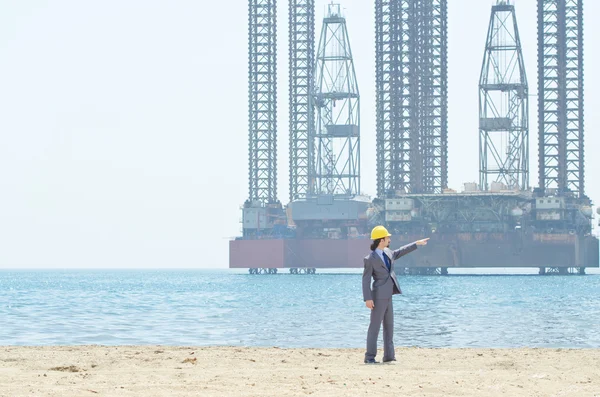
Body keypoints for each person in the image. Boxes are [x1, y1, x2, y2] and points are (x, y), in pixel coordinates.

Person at [362, 225, 429, 364]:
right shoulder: (370, 259)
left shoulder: (388, 252)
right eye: (387, 237)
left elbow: (401, 251)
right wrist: (367, 298)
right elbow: (366, 280)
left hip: (389, 295)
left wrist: (416, 244)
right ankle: (369, 357)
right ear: (381, 240)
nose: (389, 239)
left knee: (389, 326)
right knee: (374, 327)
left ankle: (389, 356)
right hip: (378, 296)